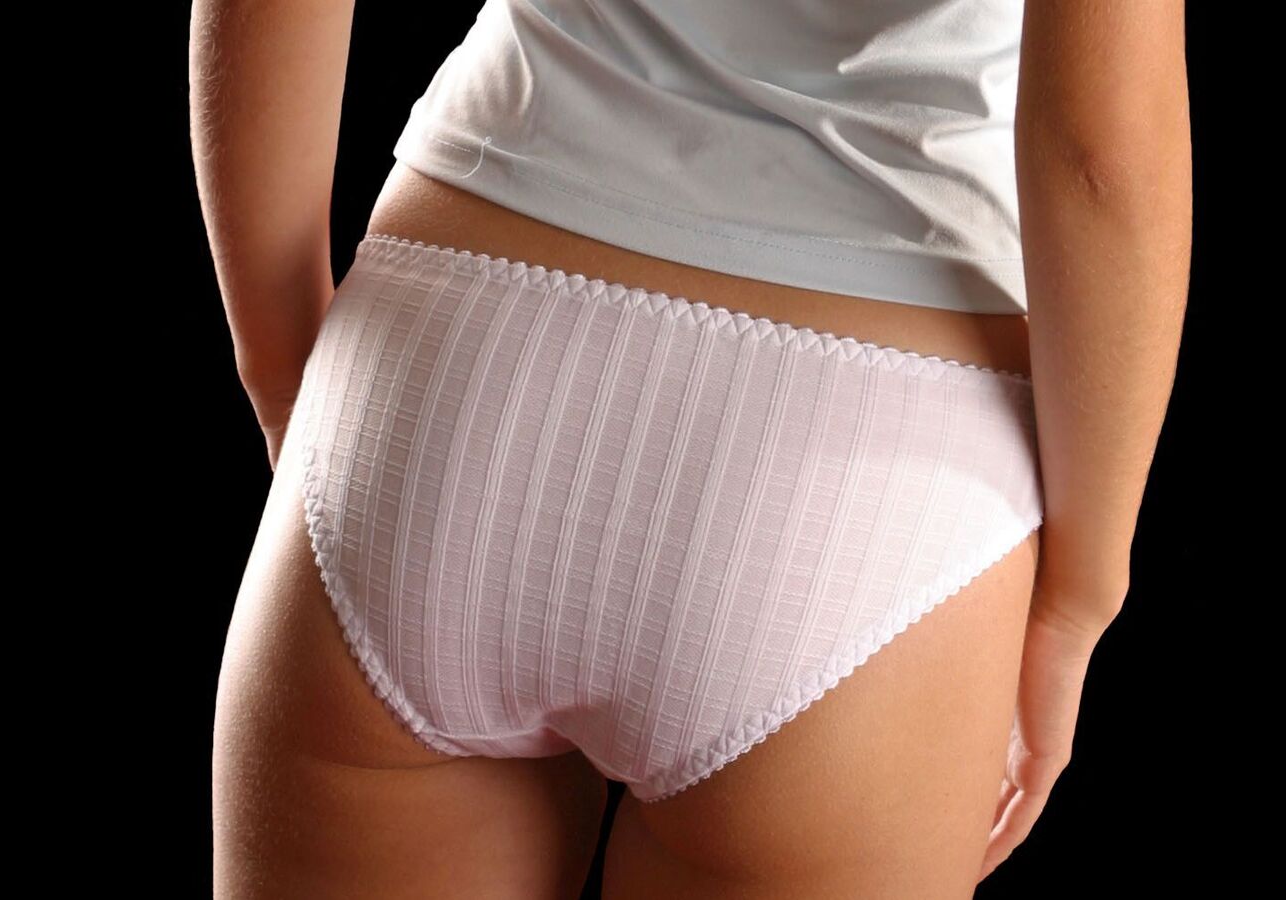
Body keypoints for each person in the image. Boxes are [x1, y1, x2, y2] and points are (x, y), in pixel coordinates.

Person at [191, 1, 1191, 897]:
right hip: (864, 454)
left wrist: (287, 376)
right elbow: (1100, 155)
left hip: (448, 357)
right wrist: (1078, 598)